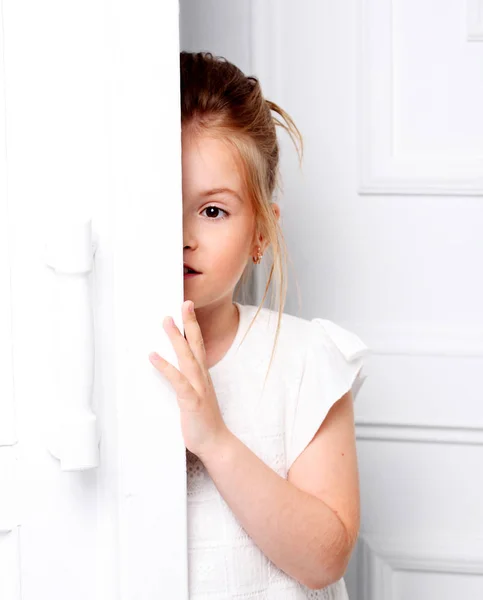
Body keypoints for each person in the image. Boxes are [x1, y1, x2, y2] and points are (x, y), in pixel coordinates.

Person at [148, 51, 371, 600]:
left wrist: (215, 440)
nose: (183, 235)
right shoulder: (108, 364)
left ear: (261, 234)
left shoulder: (301, 359)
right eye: (161, 205)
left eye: (213, 211)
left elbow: (325, 559)